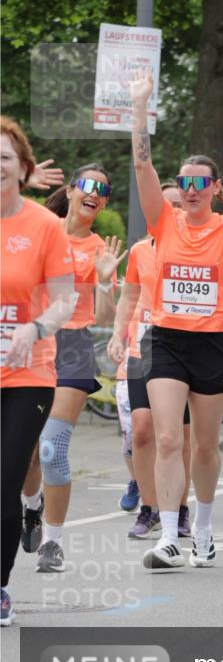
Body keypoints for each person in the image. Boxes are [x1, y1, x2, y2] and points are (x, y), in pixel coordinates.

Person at [130, 70, 223, 569]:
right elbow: (142, 165)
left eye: (200, 183)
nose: (191, 190)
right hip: (166, 340)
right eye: (185, 182)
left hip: (213, 342)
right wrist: (139, 107)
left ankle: (205, 530)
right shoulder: (162, 222)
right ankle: (170, 535)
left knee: (206, 446)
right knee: (168, 437)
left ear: (215, 189)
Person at [20, 162, 126, 572]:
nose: (94, 194)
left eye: (103, 191)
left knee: (51, 447)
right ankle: (32, 504)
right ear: (70, 190)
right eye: (87, 185)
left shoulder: (100, 249)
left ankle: (52, 542)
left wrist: (105, 281)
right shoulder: (39, 229)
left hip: (73, 346)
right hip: (32, 343)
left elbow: (105, 316)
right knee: (28, 450)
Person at [1, 117, 75, 624]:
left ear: (23, 168)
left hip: (28, 375)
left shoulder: (45, 226)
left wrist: (36, 326)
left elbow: (66, 299)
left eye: (5, 158)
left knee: (5, 480)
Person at [107, 181, 193, 540]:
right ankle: (149, 507)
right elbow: (129, 297)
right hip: (143, 348)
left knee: (178, 436)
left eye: (177, 206)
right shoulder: (141, 251)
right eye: (165, 205)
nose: (171, 212)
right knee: (142, 430)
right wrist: (117, 334)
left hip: (180, 348)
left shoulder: (193, 250)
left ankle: (180, 508)